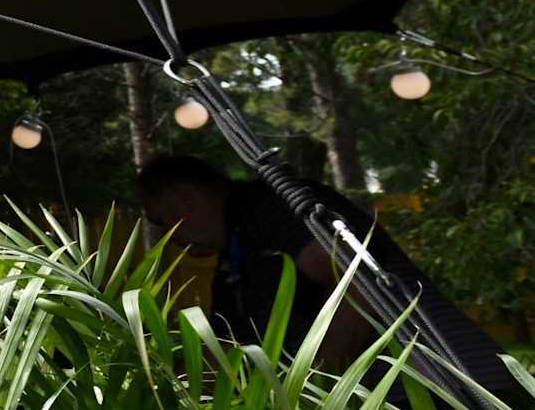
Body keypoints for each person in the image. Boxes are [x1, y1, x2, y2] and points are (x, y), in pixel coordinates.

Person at [136, 151, 380, 367]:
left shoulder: (269, 211)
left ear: (184, 199)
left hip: (396, 388)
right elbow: (223, 348)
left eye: (161, 220)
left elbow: (357, 282)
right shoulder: (234, 255)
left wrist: (313, 391)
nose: (167, 237)